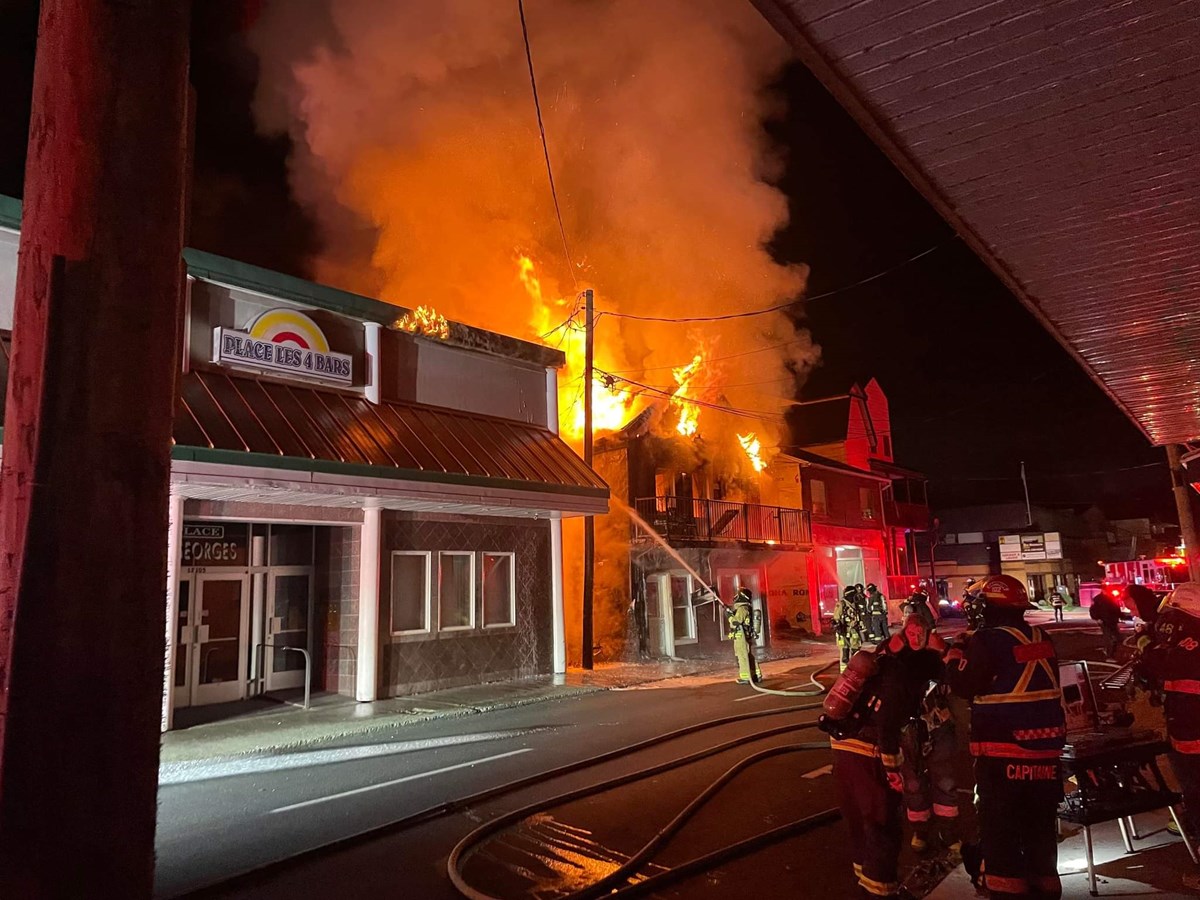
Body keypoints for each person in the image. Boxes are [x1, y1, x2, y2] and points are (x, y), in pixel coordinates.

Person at [946, 574, 1065, 900]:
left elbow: (963, 685)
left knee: (1002, 839)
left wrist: (955, 653)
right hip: (1045, 757)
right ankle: (1047, 891)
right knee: (1041, 835)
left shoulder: (986, 641)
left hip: (1003, 758)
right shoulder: (1041, 637)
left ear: (986, 608)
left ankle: (1005, 892)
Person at [821, 638, 940, 898]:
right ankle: (880, 890)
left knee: (858, 822)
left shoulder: (882, 665)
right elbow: (888, 727)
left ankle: (865, 880)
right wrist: (893, 770)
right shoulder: (902, 681)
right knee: (882, 824)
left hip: (843, 749)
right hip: (868, 754)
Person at [1133, 581, 1200, 877]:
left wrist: (1145, 643)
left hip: (1193, 736)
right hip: (1190, 731)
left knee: (1197, 796)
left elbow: (1161, 665)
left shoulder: (1189, 646)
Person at [881, 616, 959, 855]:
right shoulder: (892, 654)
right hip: (907, 729)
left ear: (929, 633)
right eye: (911, 633)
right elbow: (878, 672)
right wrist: (888, 650)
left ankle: (948, 832)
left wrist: (945, 649)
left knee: (945, 780)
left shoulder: (939, 652)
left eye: (920, 634)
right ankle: (920, 830)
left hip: (938, 724)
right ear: (904, 632)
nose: (916, 638)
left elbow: (959, 675)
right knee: (912, 783)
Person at [725, 589, 761, 684]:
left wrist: (729, 616)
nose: (735, 596)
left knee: (743, 656)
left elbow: (736, 622)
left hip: (741, 637)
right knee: (748, 655)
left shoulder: (742, 608)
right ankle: (755, 674)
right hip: (744, 636)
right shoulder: (745, 608)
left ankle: (746, 677)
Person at [1089, 588, 1126, 658]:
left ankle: (1116, 652)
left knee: (1118, 637)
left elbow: (1116, 608)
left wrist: (1121, 616)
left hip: (1112, 620)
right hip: (1104, 621)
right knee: (1109, 638)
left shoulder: (1111, 598)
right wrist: (1097, 618)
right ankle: (1109, 654)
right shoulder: (1098, 599)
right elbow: (1093, 610)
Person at [835, 586, 864, 670]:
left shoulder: (855, 605)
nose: (856, 597)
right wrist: (839, 628)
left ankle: (856, 671)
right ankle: (844, 673)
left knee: (856, 652)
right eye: (854, 595)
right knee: (845, 654)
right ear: (850, 595)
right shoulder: (841, 604)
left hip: (854, 631)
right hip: (844, 632)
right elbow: (836, 619)